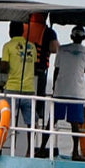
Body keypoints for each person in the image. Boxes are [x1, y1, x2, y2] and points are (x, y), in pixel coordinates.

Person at [51, 25, 85, 160]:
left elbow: (56, 70)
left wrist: (54, 88)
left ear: (71, 36)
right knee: (75, 124)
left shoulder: (61, 49)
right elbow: (84, 70)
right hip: (76, 92)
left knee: (52, 121)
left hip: (61, 90)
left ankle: (41, 148)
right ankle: (75, 152)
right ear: (84, 38)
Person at [25, 13, 60, 155]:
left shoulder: (24, 27)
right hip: (39, 72)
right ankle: (31, 147)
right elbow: (55, 49)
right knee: (37, 110)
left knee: (24, 108)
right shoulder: (48, 31)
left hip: (24, 72)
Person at [2, 20, 38, 147]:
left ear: (10, 31)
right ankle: (30, 149)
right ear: (23, 31)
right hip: (29, 89)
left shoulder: (8, 46)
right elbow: (34, 65)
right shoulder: (32, 46)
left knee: (3, 118)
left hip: (12, 88)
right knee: (31, 122)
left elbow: (4, 67)